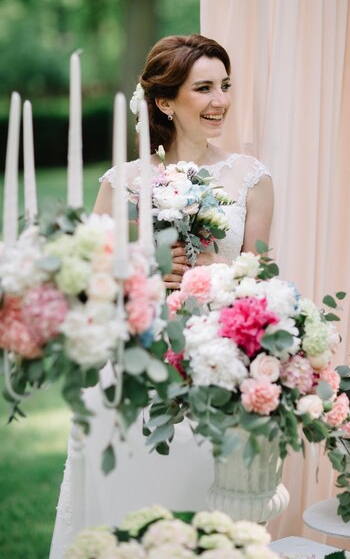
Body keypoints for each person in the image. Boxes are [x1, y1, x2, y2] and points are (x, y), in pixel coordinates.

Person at [49, 34, 274, 558]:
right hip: (134, 363)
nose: (220, 100)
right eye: (204, 88)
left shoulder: (250, 178)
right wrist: (143, 264)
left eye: (225, 86)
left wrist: (215, 266)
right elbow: (88, 282)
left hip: (217, 362)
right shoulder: (124, 181)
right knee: (131, 506)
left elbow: (262, 273)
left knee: (205, 504)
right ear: (166, 101)